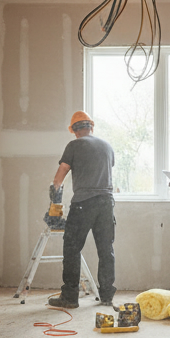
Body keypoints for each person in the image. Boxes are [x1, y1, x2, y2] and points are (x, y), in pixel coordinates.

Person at [48, 111, 116, 309]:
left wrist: (54, 198)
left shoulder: (74, 145)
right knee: (106, 250)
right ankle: (107, 296)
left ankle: (70, 297)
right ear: (91, 127)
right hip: (106, 203)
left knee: (71, 248)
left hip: (83, 203)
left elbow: (60, 175)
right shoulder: (107, 146)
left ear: (74, 131)